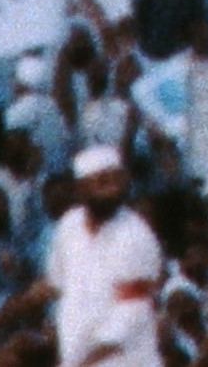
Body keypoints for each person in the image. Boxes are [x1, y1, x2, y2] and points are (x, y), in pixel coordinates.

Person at [37, 149, 163, 367]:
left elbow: (133, 312)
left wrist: (87, 362)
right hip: (75, 355)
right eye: (103, 181)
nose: (113, 188)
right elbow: (56, 282)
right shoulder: (69, 225)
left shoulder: (136, 234)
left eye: (117, 180)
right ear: (81, 188)